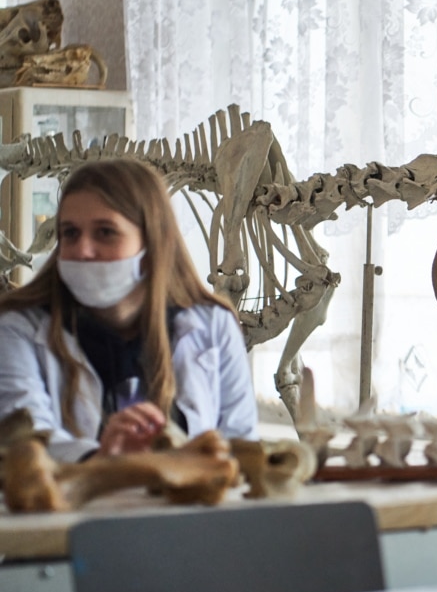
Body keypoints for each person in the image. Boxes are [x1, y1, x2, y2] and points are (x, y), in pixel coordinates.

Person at [0, 158, 259, 463]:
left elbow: (241, 449)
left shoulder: (213, 325)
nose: (82, 250)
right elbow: (24, 440)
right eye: (70, 233)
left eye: (105, 232)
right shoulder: (16, 328)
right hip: (67, 494)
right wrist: (104, 461)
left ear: (152, 243)